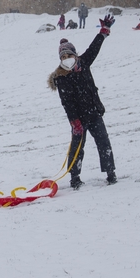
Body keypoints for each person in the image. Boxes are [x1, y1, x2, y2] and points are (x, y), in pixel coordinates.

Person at [48, 15, 117, 190]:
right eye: (63, 56)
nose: (67, 58)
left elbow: (94, 48)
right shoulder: (61, 77)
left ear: (75, 54)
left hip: (93, 113)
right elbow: (67, 103)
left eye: (69, 54)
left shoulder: (84, 63)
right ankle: (74, 177)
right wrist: (75, 122)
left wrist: (103, 32)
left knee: (103, 143)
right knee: (77, 148)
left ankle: (110, 173)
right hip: (78, 119)